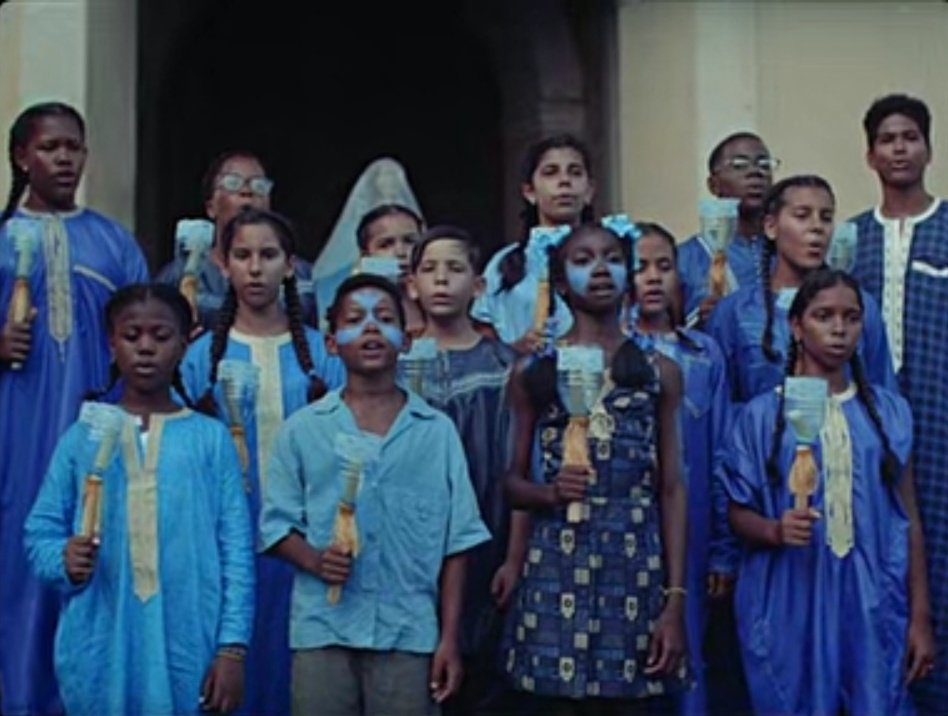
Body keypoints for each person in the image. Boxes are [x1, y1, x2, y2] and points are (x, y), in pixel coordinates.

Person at [260, 273, 491, 716]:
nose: (370, 328)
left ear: (406, 340)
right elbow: (275, 526)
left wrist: (448, 637)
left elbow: (457, 541)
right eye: (355, 320)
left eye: (384, 319)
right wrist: (313, 559)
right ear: (331, 343)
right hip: (323, 629)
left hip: (409, 634)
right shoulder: (304, 430)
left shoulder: (437, 432)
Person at [23, 283, 255, 715]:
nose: (146, 348)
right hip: (100, 642)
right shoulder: (82, 438)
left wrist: (232, 648)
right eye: (132, 336)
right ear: (112, 345)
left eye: (161, 336)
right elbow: (40, 531)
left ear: (185, 345)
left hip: (192, 640)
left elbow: (237, 551)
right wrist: (63, 557)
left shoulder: (210, 439)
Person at [720, 268, 935, 716]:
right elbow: (736, 514)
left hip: (873, 597)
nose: (839, 329)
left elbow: (908, 517)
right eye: (824, 316)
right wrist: (775, 530)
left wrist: (920, 616)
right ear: (797, 327)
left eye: (851, 317)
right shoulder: (763, 416)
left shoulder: (889, 414)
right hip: (788, 596)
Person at [0, 101, 149, 716]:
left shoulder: (113, 243)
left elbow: (149, 334)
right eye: (50, 147)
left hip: (96, 438)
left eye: (74, 148)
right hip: (15, 439)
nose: (65, 159)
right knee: (16, 565)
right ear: (20, 157)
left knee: (96, 566)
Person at [502, 221, 688, 714]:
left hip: (634, 572)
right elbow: (511, 483)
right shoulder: (532, 371)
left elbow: (671, 488)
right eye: (583, 261)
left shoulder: (659, 372)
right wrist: (548, 498)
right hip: (552, 570)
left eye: (611, 258)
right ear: (560, 281)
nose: (600, 270)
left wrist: (673, 598)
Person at [181, 208, 346, 715]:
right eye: (242, 255)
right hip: (223, 543)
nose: (255, 268)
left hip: (307, 545)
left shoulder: (323, 355)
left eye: (268, 255)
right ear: (221, 264)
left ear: (290, 266)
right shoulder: (199, 357)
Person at [403, 226, 529, 715]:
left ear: (477, 286)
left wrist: (515, 557)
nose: (441, 280)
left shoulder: (504, 365)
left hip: (487, 537)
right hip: (411, 550)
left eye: (454, 269)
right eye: (430, 269)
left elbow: (520, 466)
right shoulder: (395, 363)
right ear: (411, 284)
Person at [851, 93, 948, 713]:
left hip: (939, 427)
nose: (899, 149)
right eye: (887, 139)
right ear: (870, 154)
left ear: (929, 148)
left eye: (910, 137)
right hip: (867, 426)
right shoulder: (849, 236)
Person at [632, 222, 731, 716]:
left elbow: (719, 454)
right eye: (639, 266)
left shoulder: (704, 354)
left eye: (664, 266)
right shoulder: (611, 355)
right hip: (624, 533)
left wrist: (722, 551)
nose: (652, 278)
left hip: (689, 535)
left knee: (686, 656)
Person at [707, 175, 897, 411]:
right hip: (760, 443)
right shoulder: (735, 312)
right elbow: (719, 407)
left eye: (826, 218)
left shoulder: (858, 305)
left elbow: (884, 397)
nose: (817, 227)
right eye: (802, 216)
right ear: (771, 226)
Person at [156, 150, 318, 331]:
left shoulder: (304, 276)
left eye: (259, 186)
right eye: (232, 183)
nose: (247, 192)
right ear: (211, 207)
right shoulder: (181, 275)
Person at [471, 134, 595, 353]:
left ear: (589, 191)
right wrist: (514, 348)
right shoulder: (504, 262)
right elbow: (482, 331)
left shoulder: (610, 258)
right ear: (529, 192)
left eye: (575, 172)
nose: (564, 181)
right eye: (551, 172)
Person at [312, 156, 424, 332]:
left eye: (410, 241)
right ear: (365, 254)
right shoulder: (342, 299)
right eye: (386, 245)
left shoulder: (438, 296)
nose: (401, 252)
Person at [677, 132, 778, 328]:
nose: (756, 172)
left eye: (765, 165)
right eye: (739, 165)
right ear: (713, 185)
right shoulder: (685, 258)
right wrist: (699, 319)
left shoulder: (788, 252)